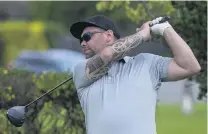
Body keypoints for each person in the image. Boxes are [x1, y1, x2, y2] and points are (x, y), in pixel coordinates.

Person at [69, 15, 201, 134]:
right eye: (80, 39)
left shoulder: (146, 63)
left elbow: (190, 67)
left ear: (108, 36)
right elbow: (107, 55)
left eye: (87, 37)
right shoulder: (80, 70)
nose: (82, 43)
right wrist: (143, 35)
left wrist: (165, 29)